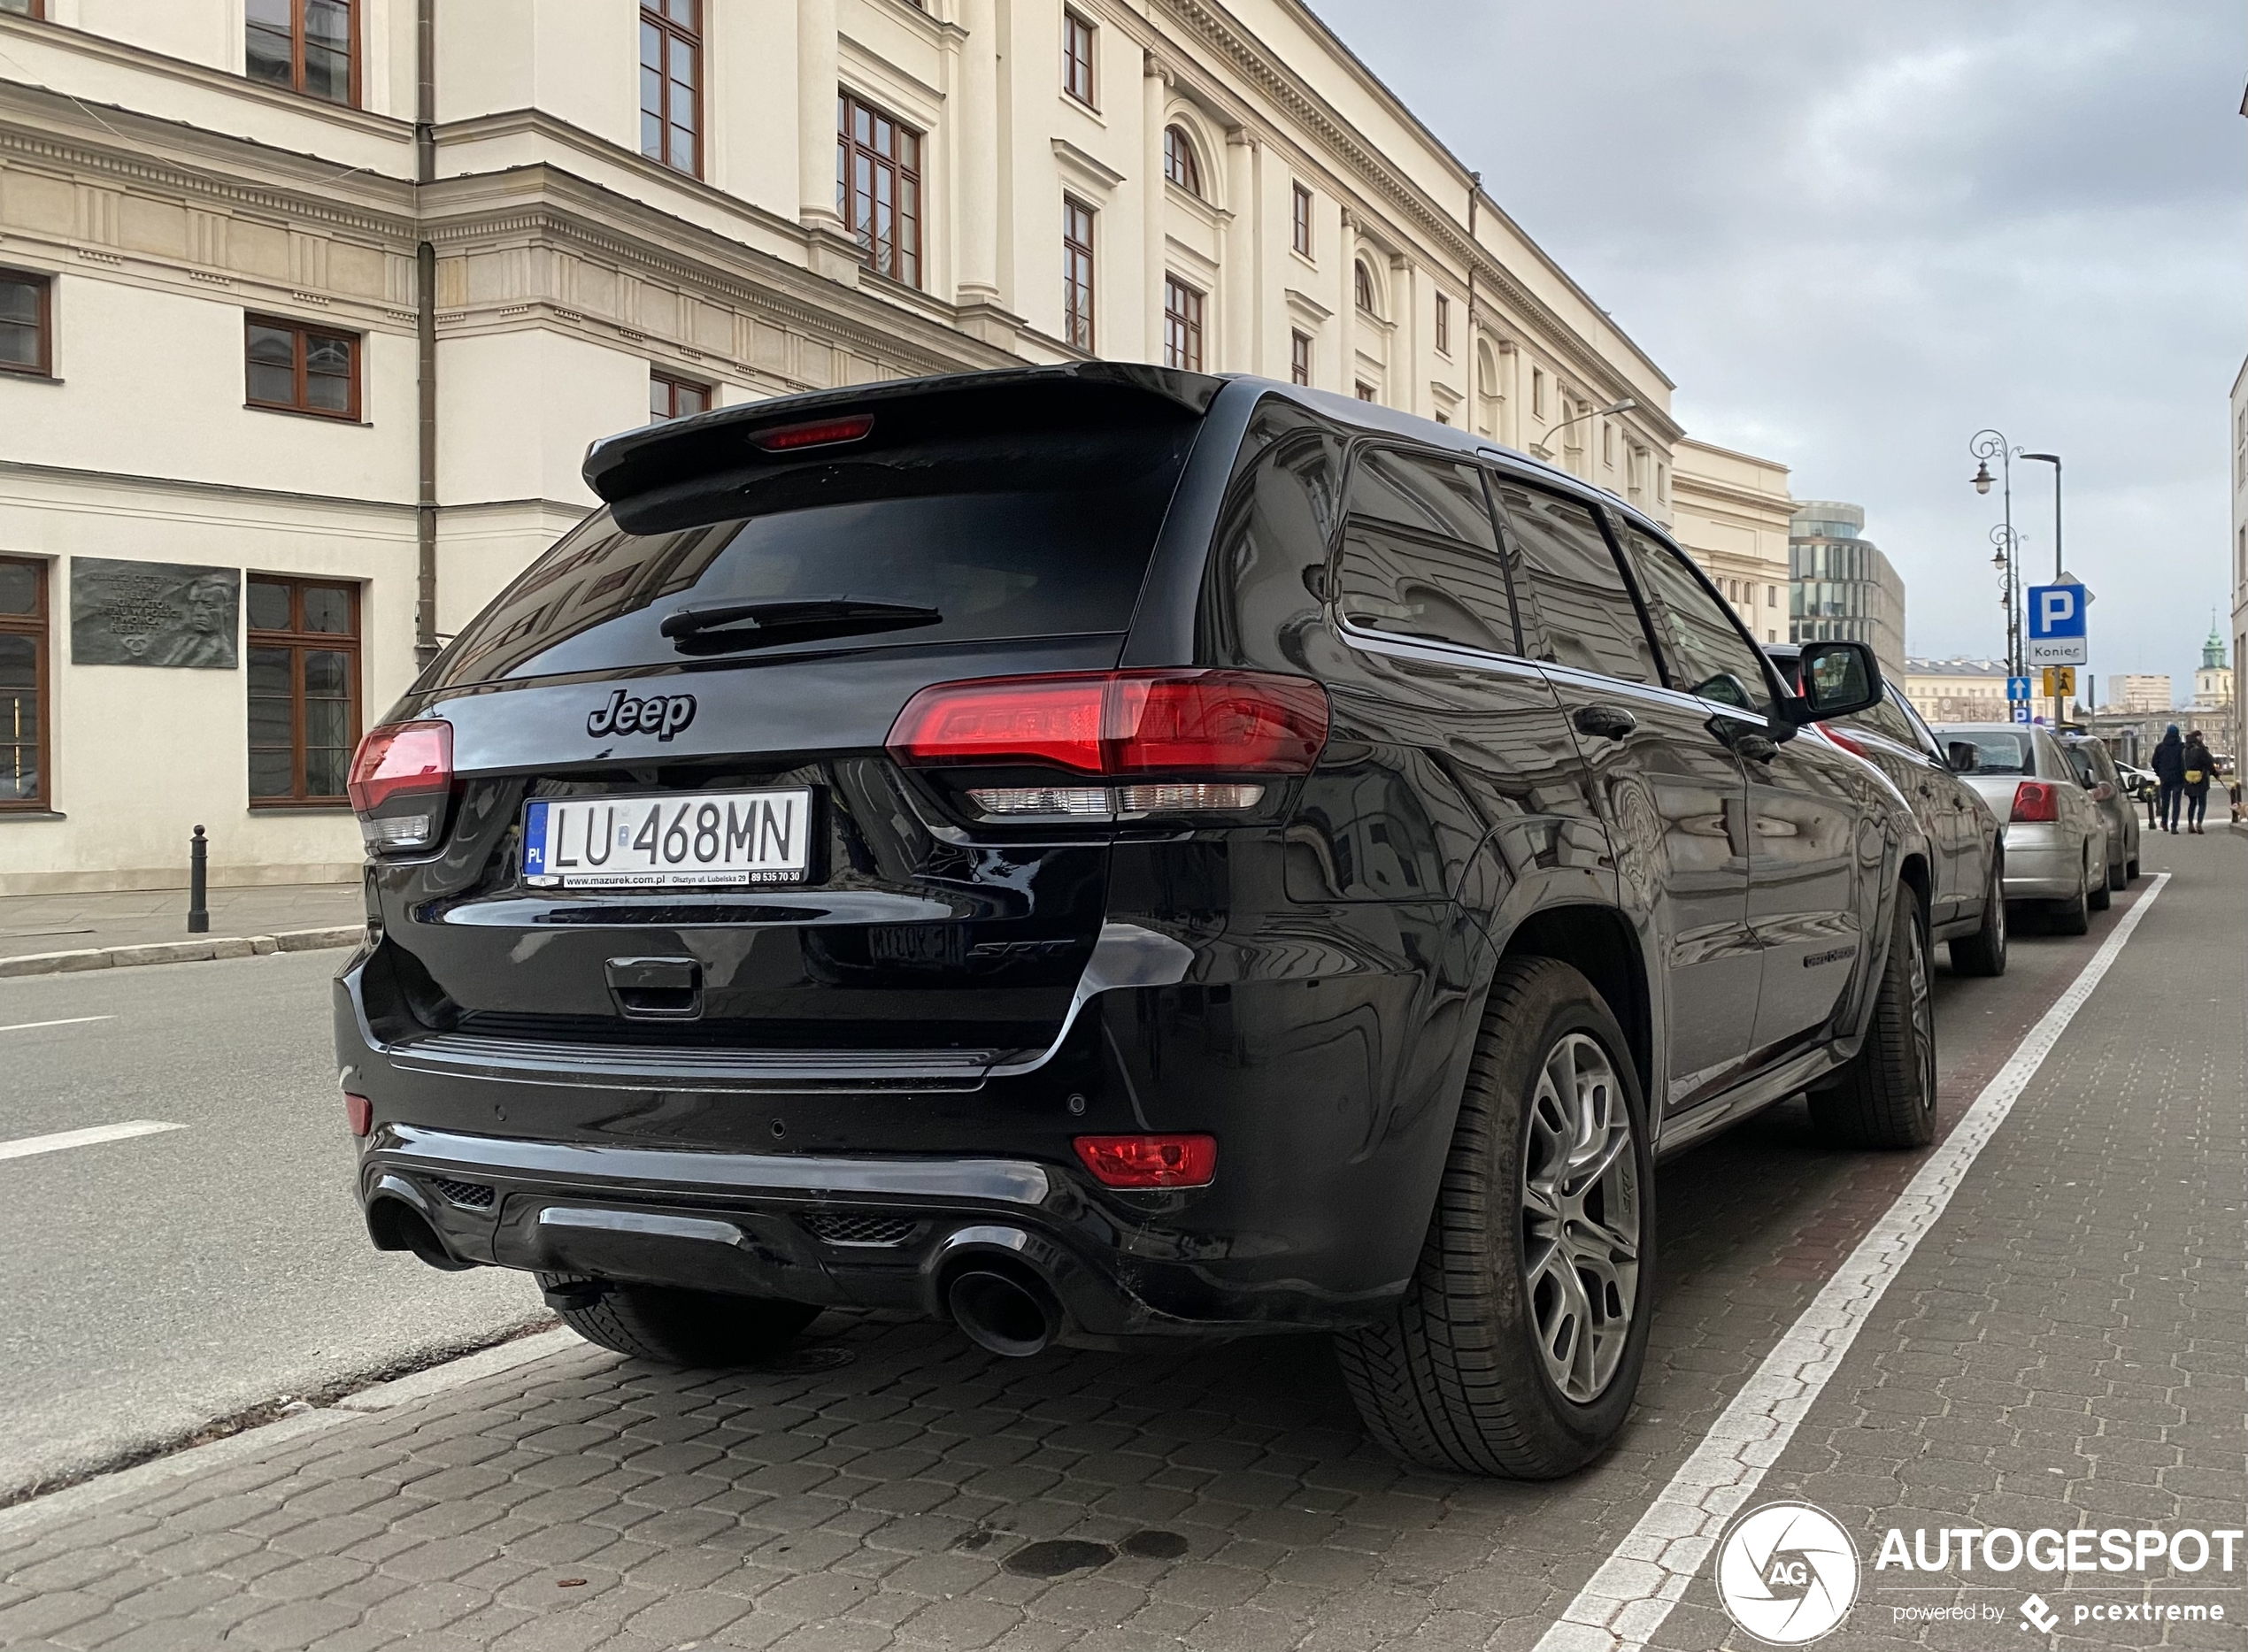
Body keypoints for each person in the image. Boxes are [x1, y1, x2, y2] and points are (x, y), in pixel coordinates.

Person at [2150, 724, 2186, 833]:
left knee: (2165, 802)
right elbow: (2184, 763)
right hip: (2178, 778)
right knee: (2176, 803)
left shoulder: (2160, 747)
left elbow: (2154, 763)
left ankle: (2164, 822)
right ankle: (2174, 825)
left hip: (2165, 778)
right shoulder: (2181, 747)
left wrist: (2160, 773)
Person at [2180, 729, 2214, 834]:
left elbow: (2181, 766)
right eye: (2201, 736)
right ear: (2198, 737)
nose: (2202, 738)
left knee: (2192, 803)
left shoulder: (2185, 750)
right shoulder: (2201, 749)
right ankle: (2199, 823)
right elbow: (2209, 762)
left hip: (2189, 779)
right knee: (2202, 803)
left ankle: (2190, 824)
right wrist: (2216, 774)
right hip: (2201, 779)